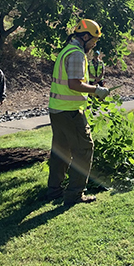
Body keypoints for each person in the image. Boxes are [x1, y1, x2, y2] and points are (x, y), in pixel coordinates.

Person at [47, 19, 110, 206]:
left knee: (61, 152)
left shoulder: (66, 51)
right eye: (94, 40)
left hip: (57, 110)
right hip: (70, 112)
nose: (94, 44)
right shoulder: (76, 54)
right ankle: (75, 194)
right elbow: (74, 84)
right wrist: (96, 90)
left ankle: (54, 191)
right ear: (85, 37)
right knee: (84, 149)